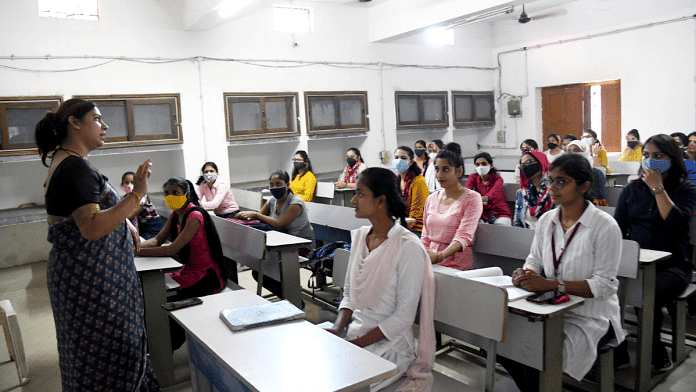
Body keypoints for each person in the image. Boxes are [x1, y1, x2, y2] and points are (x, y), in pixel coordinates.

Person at [36, 98, 160, 391]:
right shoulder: (75, 167)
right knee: (109, 358)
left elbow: (88, 212)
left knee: (91, 359)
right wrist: (136, 195)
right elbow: (91, 227)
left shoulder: (66, 161)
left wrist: (125, 219)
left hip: (86, 280)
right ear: (74, 123)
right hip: (94, 286)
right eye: (97, 119)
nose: (104, 126)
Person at [504, 153, 625, 391]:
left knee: (533, 352)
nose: (552, 188)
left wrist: (552, 285)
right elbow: (535, 259)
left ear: (584, 186)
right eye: (550, 181)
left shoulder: (604, 226)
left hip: (591, 317)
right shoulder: (547, 219)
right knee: (505, 345)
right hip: (551, 310)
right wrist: (526, 273)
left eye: (561, 181)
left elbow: (604, 286)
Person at [326, 167, 435, 392]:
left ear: (380, 201)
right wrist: (337, 330)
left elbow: (403, 317)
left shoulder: (408, 247)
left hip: (389, 347)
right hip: (354, 335)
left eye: (361, 194)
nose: (353, 200)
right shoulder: (360, 238)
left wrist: (355, 345)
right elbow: (349, 293)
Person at [614, 134, 696, 372]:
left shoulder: (686, 188)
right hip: (636, 263)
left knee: (646, 294)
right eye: (647, 156)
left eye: (658, 156)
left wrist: (658, 189)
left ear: (673, 158)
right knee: (606, 290)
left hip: (673, 266)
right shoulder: (632, 190)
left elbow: (677, 223)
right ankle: (616, 351)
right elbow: (618, 229)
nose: (651, 161)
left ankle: (656, 353)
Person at [138, 177, 227, 349]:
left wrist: (137, 252)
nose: (170, 196)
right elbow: (157, 240)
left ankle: (166, 346)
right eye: (166, 193)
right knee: (153, 291)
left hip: (206, 276)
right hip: (187, 271)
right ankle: (153, 340)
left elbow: (173, 249)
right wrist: (134, 248)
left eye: (175, 193)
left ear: (186, 194)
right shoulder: (175, 214)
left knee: (170, 300)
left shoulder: (194, 215)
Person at [237, 170, 315, 298]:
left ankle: (292, 298)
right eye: (271, 185)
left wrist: (256, 214)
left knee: (266, 269)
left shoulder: (296, 203)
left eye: (278, 184)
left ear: (288, 185)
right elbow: (259, 218)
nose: (274, 188)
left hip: (301, 247)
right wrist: (246, 217)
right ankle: (288, 297)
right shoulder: (272, 201)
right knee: (259, 271)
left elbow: (278, 223)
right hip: (281, 244)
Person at [422, 149, 483, 271]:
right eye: (437, 169)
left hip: (456, 265)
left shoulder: (472, 198)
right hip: (431, 262)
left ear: (459, 171)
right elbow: (425, 236)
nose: (439, 175)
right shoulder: (432, 198)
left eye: (445, 169)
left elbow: (464, 236)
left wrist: (440, 256)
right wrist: (423, 256)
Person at [466, 152, 512, 225]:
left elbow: (490, 196)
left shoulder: (498, 179)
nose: (480, 167)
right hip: (482, 214)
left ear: (491, 166)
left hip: (500, 213)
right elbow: (467, 194)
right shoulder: (473, 177)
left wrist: (474, 199)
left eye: (484, 164)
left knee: (500, 229)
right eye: (478, 164)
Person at [393, 146, 429, 236]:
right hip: (401, 226)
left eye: (403, 158)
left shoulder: (418, 181)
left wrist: (400, 229)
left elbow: (416, 214)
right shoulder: (396, 181)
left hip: (416, 229)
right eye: (396, 158)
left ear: (411, 162)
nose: (399, 160)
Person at [513, 151, 555, 229]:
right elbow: (517, 223)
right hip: (526, 236)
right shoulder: (521, 193)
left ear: (541, 162)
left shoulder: (555, 191)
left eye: (529, 162)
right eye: (522, 164)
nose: (525, 166)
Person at [122, 171, 165, 240]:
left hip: (153, 226)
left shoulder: (141, 195)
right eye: (127, 182)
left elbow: (132, 213)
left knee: (142, 246)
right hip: (142, 228)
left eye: (132, 182)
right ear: (122, 185)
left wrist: (118, 219)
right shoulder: (125, 198)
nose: (129, 185)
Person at [567, 140, 608, 206]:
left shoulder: (595, 173)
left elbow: (599, 201)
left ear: (584, 152)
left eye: (576, 150)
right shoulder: (565, 172)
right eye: (569, 151)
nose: (572, 153)